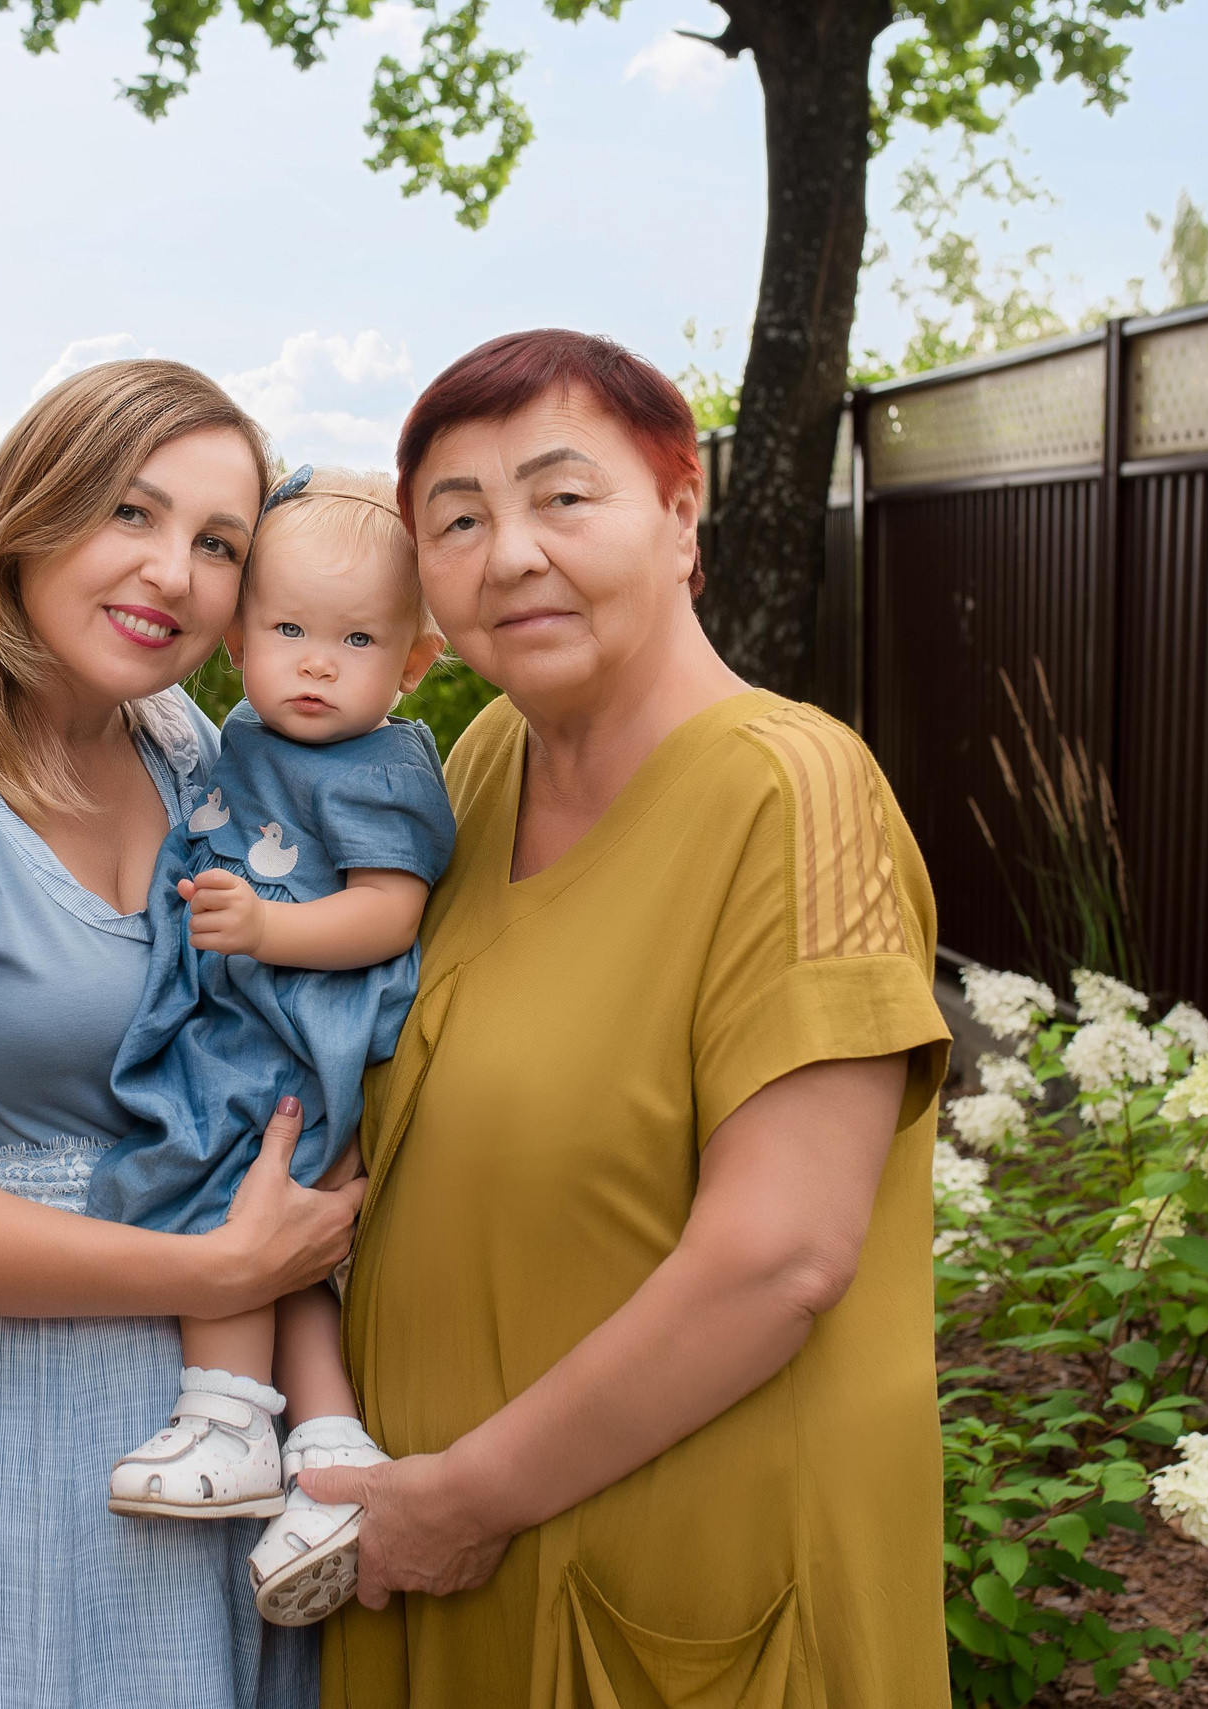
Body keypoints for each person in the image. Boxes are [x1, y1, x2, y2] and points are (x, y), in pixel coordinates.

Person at [304, 330, 956, 1707]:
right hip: (437, 1569)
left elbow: (780, 1256)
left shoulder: (792, 795)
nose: (511, 553)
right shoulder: (476, 771)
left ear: (679, 513)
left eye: (562, 497)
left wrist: (462, 1497)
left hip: (669, 1593)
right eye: (459, 520)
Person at [0, 359, 351, 1709]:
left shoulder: (187, 752)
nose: (174, 574)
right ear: (30, 517)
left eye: (219, 544)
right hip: (4, 1398)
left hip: (222, 1413)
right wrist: (208, 1272)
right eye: (131, 516)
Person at [89, 465, 454, 1628]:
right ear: (236, 637)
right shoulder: (236, 729)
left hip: (306, 1025)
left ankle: (230, 1416)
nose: (313, 661)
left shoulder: (386, 763)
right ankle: (331, 1458)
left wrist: (269, 927)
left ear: (409, 665)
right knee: (271, 1229)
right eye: (287, 628)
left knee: (224, 1189)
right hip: (247, 1012)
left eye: (355, 640)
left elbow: (390, 911)